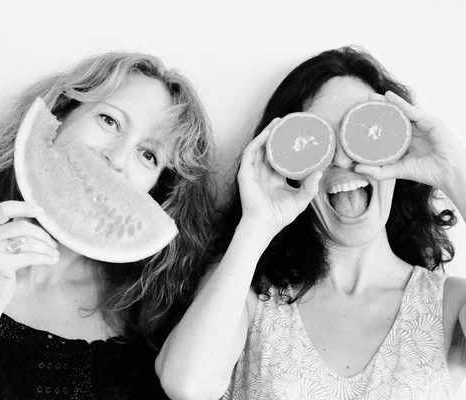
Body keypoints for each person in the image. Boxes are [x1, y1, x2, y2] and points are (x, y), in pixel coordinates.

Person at [0, 51, 216, 400]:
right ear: (60, 116)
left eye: (148, 155)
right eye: (109, 121)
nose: (118, 158)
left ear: (156, 191)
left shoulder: (149, 312)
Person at [156, 45, 466, 400]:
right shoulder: (247, 295)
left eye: (363, 128)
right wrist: (257, 223)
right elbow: (186, 385)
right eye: (318, 138)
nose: (342, 157)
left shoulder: (449, 303)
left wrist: (455, 174)